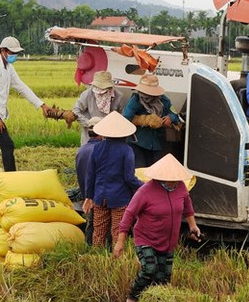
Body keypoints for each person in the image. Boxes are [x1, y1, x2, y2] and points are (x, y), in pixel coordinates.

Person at [113, 153, 201, 302]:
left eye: (175, 178)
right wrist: (120, 242)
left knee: (164, 278)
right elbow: (129, 215)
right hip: (146, 238)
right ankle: (131, 300)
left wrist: (193, 226)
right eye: (170, 179)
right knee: (149, 269)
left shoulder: (180, 187)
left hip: (168, 241)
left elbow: (187, 208)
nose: (173, 182)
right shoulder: (145, 191)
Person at [0, 36, 51, 172]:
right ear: (3, 51)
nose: (14, 56)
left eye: (16, 53)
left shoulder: (8, 67)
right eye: (12, 53)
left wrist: (41, 104)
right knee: (7, 145)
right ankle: (11, 180)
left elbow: (21, 87)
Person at [83, 111, 144, 248]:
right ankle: (116, 259)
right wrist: (143, 185)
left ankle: (97, 257)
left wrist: (89, 196)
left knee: (98, 232)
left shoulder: (97, 148)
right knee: (118, 232)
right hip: (119, 198)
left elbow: (90, 174)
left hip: (100, 197)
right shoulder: (126, 150)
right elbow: (129, 178)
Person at [122, 73, 180, 167]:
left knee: (156, 171)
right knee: (140, 170)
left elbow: (175, 115)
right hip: (138, 142)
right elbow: (126, 118)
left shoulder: (164, 101)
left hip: (158, 143)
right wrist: (144, 120)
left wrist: (170, 118)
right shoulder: (135, 101)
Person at [72, 71, 128, 146]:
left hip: (110, 136)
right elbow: (76, 111)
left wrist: (112, 123)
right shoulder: (87, 95)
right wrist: (89, 123)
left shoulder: (118, 96)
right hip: (90, 137)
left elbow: (123, 115)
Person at [75, 116, 103, 245]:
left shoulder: (81, 151)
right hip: (99, 196)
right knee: (100, 226)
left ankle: (88, 246)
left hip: (86, 193)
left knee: (91, 223)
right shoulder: (101, 151)